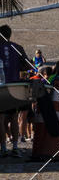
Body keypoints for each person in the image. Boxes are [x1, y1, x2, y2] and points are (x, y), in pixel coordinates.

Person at [0, 24, 29, 157]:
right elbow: (28, 65)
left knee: (1, 118)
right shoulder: (17, 48)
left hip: (1, 86)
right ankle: (15, 147)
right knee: (13, 117)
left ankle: (4, 147)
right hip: (14, 86)